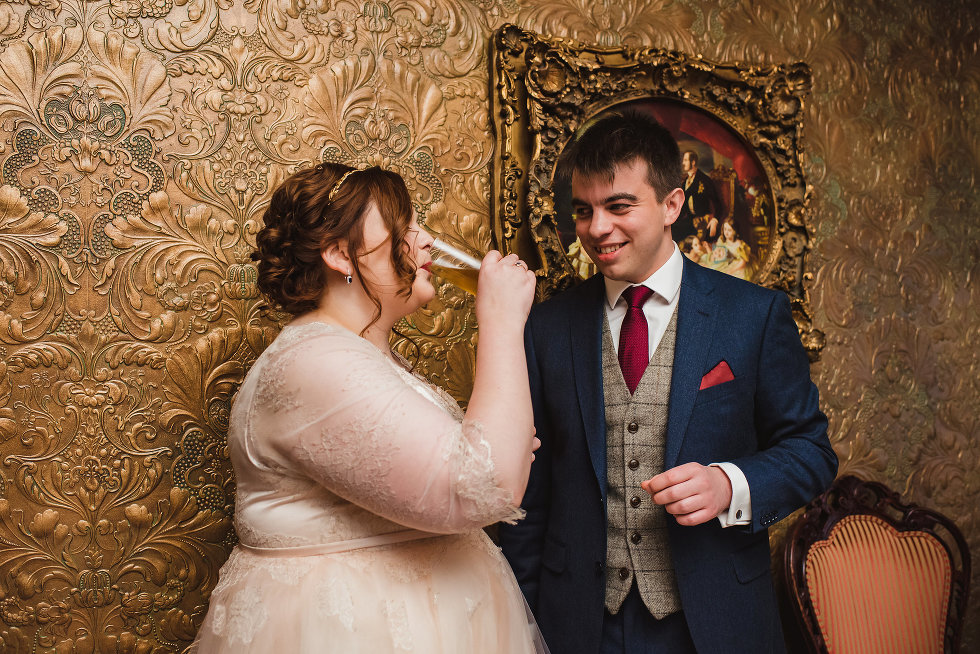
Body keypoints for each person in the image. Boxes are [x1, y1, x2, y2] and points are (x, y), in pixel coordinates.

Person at [498, 112, 837, 654]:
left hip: (715, 620)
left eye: (619, 207)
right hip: (578, 622)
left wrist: (731, 485)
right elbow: (527, 498)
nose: (597, 229)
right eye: (583, 210)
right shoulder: (545, 326)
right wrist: (524, 617)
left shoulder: (753, 315)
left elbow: (811, 451)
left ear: (672, 205)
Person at [191, 163, 549, 653]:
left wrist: (496, 448)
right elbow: (483, 490)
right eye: (404, 230)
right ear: (340, 254)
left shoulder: (356, 355)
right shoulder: (314, 362)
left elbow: (470, 469)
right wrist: (503, 320)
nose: (424, 243)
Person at [674, 150, 723, 244]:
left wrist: (715, 221)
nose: (683, 163)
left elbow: (718, 203)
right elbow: (683, 207)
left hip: (703, 222)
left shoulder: (705, 180)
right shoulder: (685, 182)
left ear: (693, 162)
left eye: (685, 160)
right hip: (690, 221)